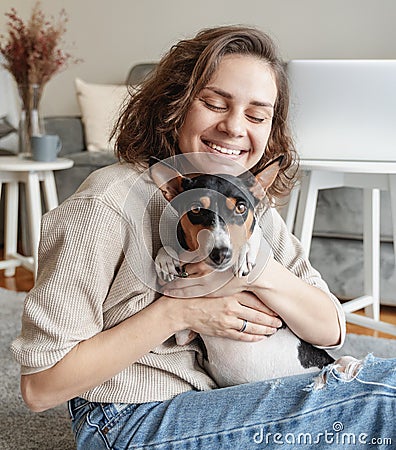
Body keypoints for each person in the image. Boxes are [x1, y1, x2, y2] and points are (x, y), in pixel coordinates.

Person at [11, 26, 395, 449]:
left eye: (256, 115)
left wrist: (259, 274)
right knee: (383, 402)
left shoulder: (248, 203)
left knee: (378, 386)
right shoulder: (105, 205)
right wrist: (182, 312)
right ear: (174, 105)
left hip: (225, 398)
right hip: (130, 419)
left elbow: (330, 330)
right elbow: (40, 387)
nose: (233, 127)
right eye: (214, 103)